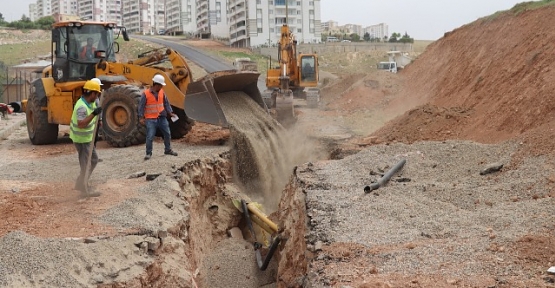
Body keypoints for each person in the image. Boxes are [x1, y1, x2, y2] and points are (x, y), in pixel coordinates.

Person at [70, 79, 103, 196]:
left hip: (87, 138)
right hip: (81, 140)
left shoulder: (91, 102)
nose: (98, 96)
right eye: (97, 94)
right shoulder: (82, 107)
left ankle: (81, 183)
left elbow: (95, 108)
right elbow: (81, 124)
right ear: (92, 93)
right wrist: (94, 114)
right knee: (86, 164)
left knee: (93, 160)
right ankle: (83, 188)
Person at [138, 74, 178, 160]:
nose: (161, 87)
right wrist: (141, 117)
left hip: (162, 117)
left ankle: (168, 150)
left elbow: (166, 103)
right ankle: (148, 153)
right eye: (161, 85)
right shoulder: (146, 94)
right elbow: (141, 106)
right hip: (150, 119)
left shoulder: (162, 92)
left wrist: (170, 113)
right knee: (150, 136)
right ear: (156, 84)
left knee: (167, 133)